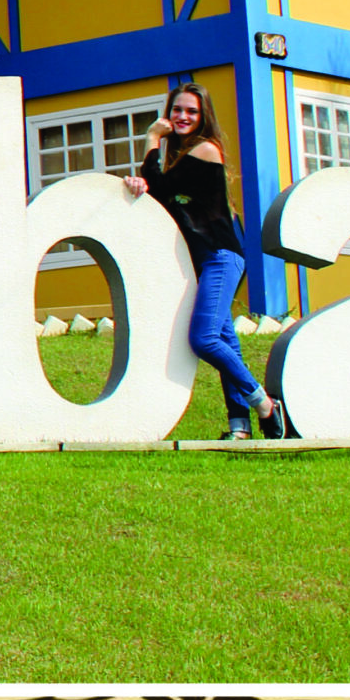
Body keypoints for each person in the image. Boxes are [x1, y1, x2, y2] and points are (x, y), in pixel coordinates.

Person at [123, 82, 285, 439]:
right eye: (177, 109)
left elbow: (161, 188)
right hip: (203, 263)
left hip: (220, 257)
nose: (182, 116)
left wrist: (152, 138)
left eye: (191, 111)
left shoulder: (206, 150)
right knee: (226, 341)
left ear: (203, 117)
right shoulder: (180, 158)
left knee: (204, 339)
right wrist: (141, 182)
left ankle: (265, 405)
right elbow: (159, 195)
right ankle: (239, 426)